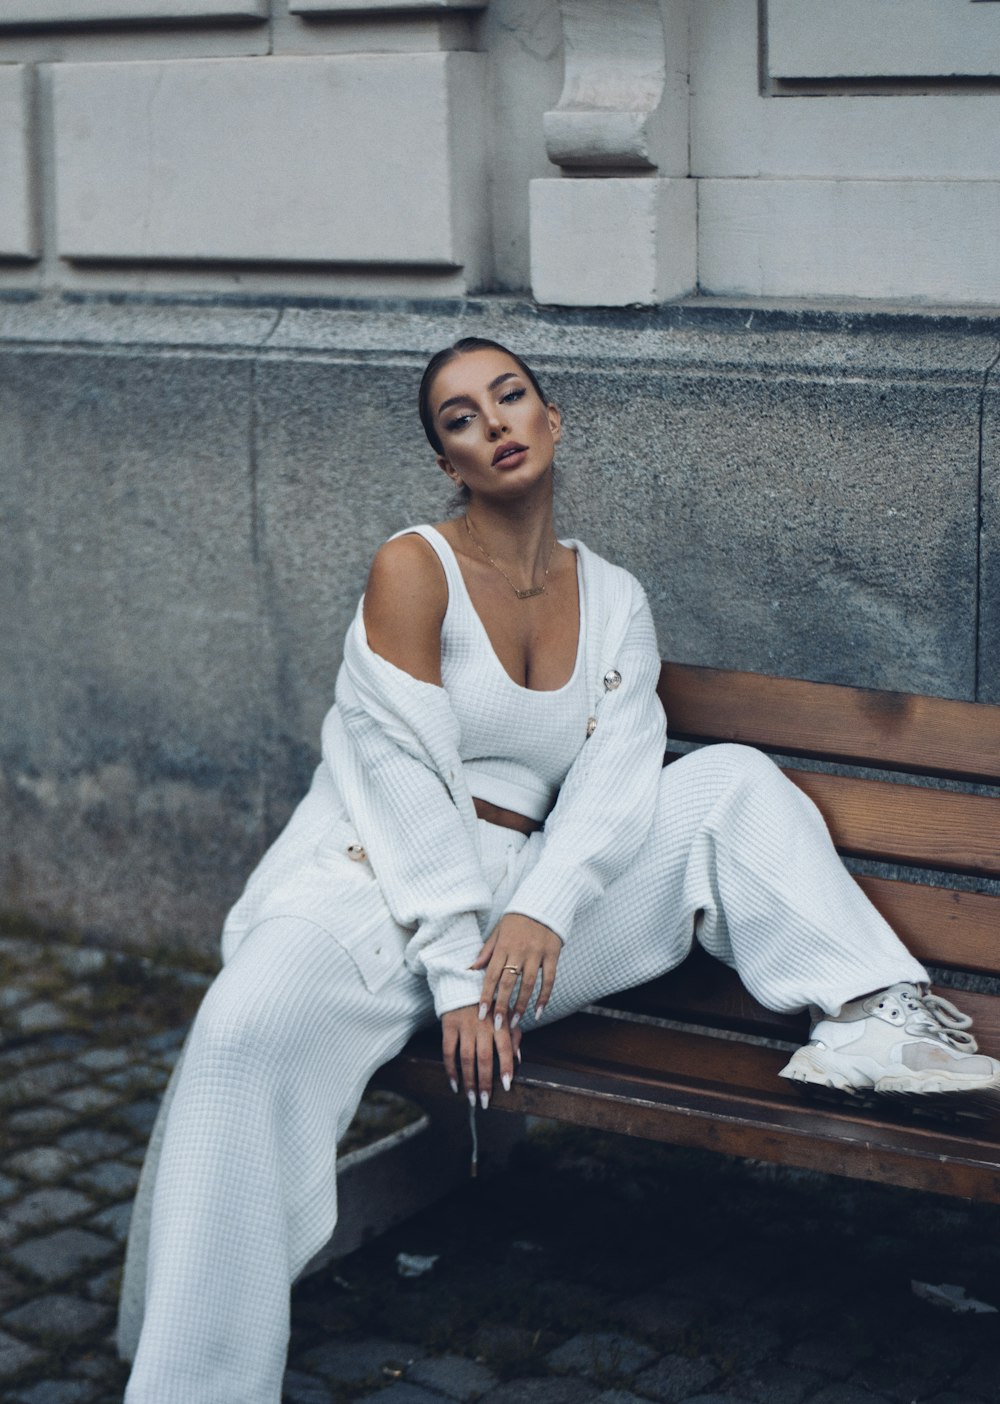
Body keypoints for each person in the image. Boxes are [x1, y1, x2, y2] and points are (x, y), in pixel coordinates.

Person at [123, 336, 1000, 1404]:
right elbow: (401, 782)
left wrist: (539, 907)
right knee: (237, 1036)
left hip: (522, 912)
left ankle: (874, 1012)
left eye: (510, 397)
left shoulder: (616, 598)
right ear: (448, 461)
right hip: (370, 883)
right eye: (460, 417)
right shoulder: (414, 568)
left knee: (724, 778)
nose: (493, 422)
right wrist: (460, 973)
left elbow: (620, 775)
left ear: (551, 421)